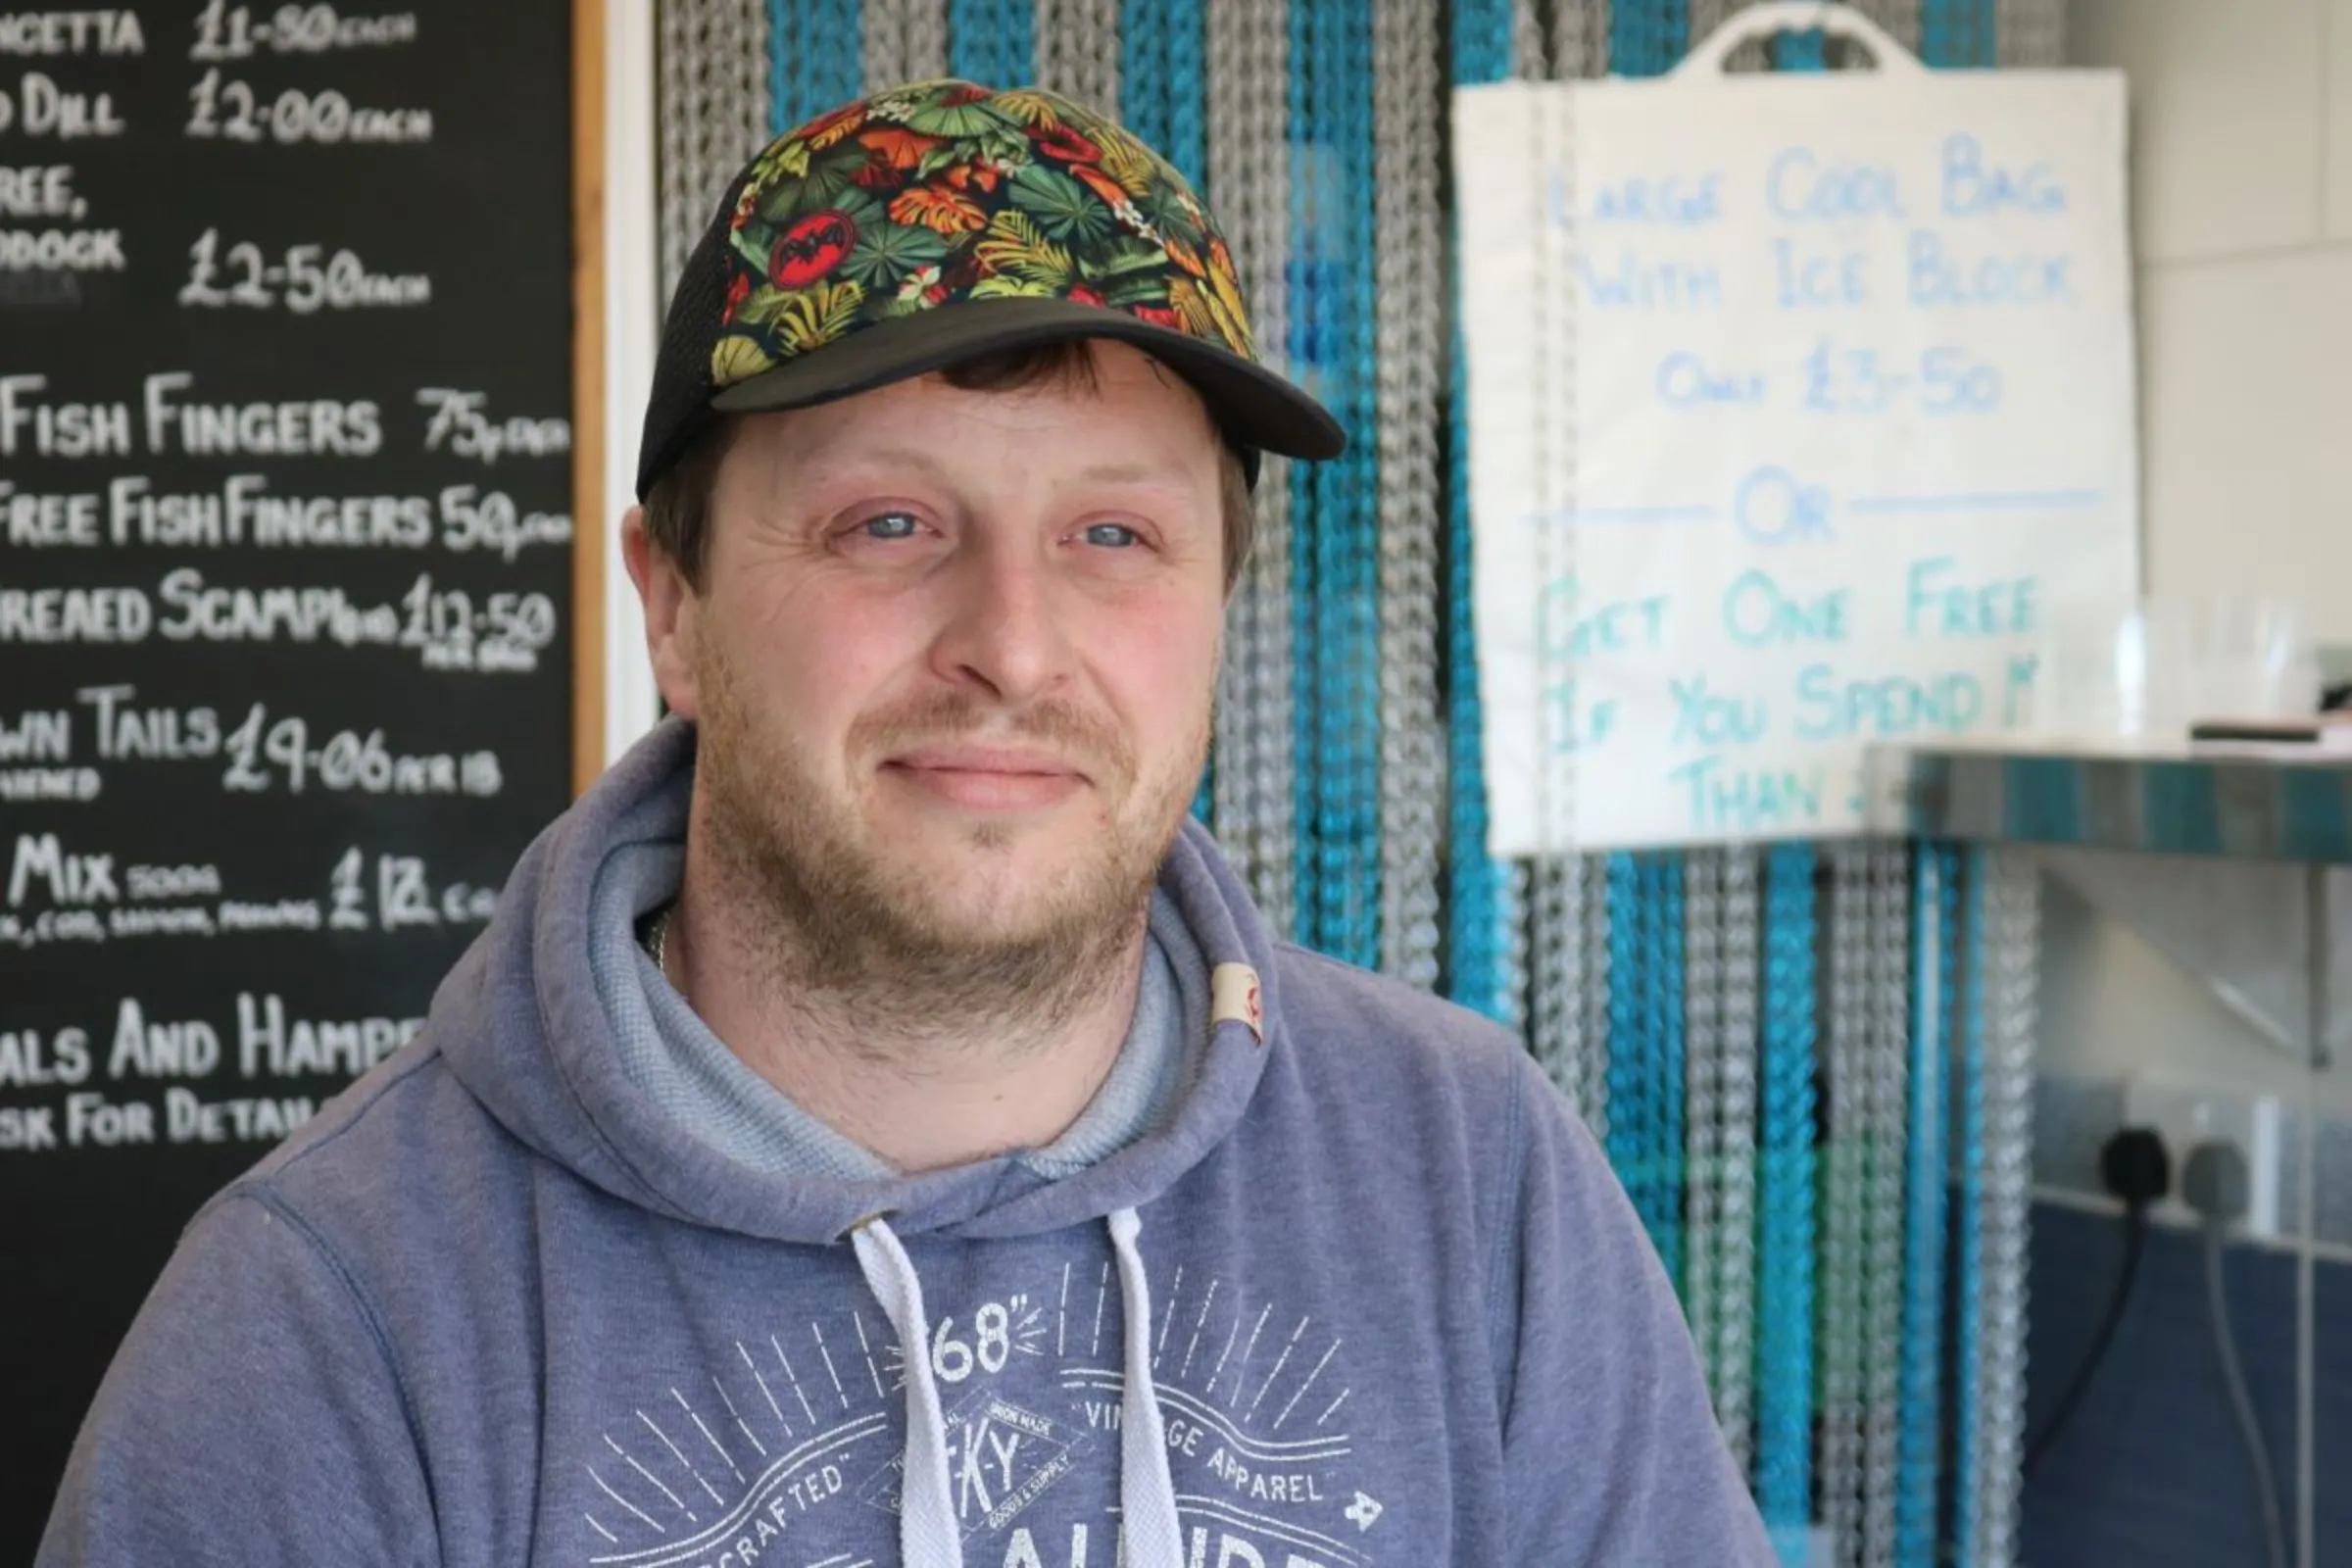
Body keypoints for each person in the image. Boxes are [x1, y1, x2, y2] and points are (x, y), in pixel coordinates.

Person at [40, 79, 1772, 1566]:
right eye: (885, 523)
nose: (1012, 644)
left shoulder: (1470, 1181)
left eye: (1115, 537)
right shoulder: (332, 1321)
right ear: (675, 605)